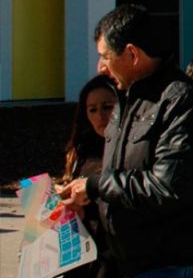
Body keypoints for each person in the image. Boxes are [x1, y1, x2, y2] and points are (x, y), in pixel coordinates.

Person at [60, 4, 193, 278]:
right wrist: (87, 200)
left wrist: (96, 185)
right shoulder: (126, 99)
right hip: (127, 261)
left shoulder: (180, 101)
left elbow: (168, 187)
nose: (100, 67)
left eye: (105, 57)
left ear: (132, 54)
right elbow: (122, 175)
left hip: (167, 264)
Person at [62, 75, 118, 278]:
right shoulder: (82, 149)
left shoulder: (131, 150)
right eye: (92, 109)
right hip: (81, 257)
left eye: (107, 107)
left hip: (116, 258)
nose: (100, 116)